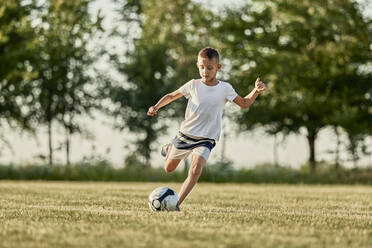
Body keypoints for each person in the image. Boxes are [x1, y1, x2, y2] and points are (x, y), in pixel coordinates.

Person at [147, 47, 266, 209]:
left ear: (218, 67)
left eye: (209, 68)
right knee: (169, 168)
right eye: (202, 67)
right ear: (198, 65)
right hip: (185, 135)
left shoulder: (225, 88)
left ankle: (175, 204)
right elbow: (171, 96)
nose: (205, 71)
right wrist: (156, 106)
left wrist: (256, 91)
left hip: (206, 139)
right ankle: (169, 149)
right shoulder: (193, 85)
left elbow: (244, 103)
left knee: (195, 171)